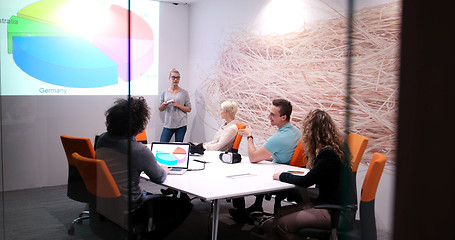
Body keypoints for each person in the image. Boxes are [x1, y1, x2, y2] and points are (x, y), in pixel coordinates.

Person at [95, 96, 192, 239]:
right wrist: (164, 170)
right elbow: (158, 177)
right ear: (140, 124)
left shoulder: (102, 139)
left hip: (105, 202)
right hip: (131, 206)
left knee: (149, 194)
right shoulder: (138, 150)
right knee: (184, 206)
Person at [266, 109, 351, 240]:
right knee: (280, 212)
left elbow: (306, 181)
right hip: (329, 204)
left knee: (283, 224)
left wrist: (282, 176)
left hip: (336, 212)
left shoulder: (328, 154)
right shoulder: (335, 149)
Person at [229, 99, 301, 224]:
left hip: (279, 175)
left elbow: (253, 157)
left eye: (272, 114)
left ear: (283, 117)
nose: (269, 116)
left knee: (241, 172)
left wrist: (249, 136)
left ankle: (241, 212)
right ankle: (257, 205)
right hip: (287, 170)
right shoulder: (296, 132)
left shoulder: (278, 138)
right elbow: (283, 155)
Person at [158, 68, 191, 142]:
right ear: (169, 78)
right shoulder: (164, 92)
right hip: (168, 124)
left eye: (177, 77)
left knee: (178, 148)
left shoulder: (184, 93)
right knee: (162, 145)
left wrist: (178, 105)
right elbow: (160, 109)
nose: (175, 79)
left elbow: (189, 109)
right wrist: (164, 105)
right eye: (173, 77)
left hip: (181, 125)